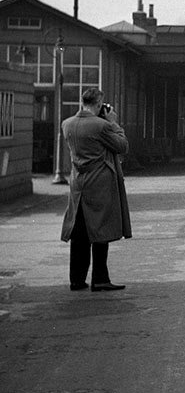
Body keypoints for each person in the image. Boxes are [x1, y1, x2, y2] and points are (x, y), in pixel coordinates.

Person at [60, 87, 132, 292]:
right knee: (101, 231)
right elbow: (122, 146)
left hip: (78, 185)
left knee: (79, 232)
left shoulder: (67, 124)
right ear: (99, 104)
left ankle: (76, 279)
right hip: (100, 184)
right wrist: (113, 122)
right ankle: (100, 278)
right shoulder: (101, 126)